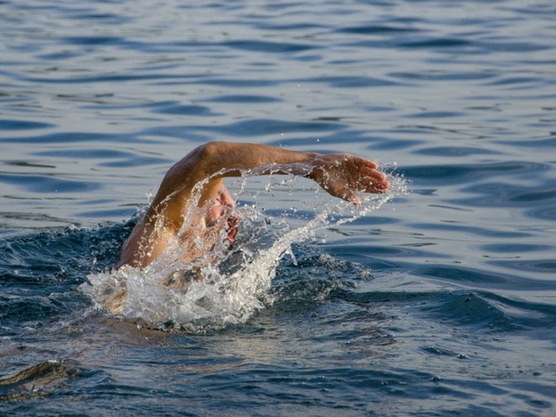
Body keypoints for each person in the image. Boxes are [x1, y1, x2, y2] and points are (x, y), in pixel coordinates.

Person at [115, 141, 390, 270]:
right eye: (215, 191)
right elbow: (208, 159)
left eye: (226, 197)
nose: (225, 201)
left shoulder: (203, 270)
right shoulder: (159, 236)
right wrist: (312, 164)